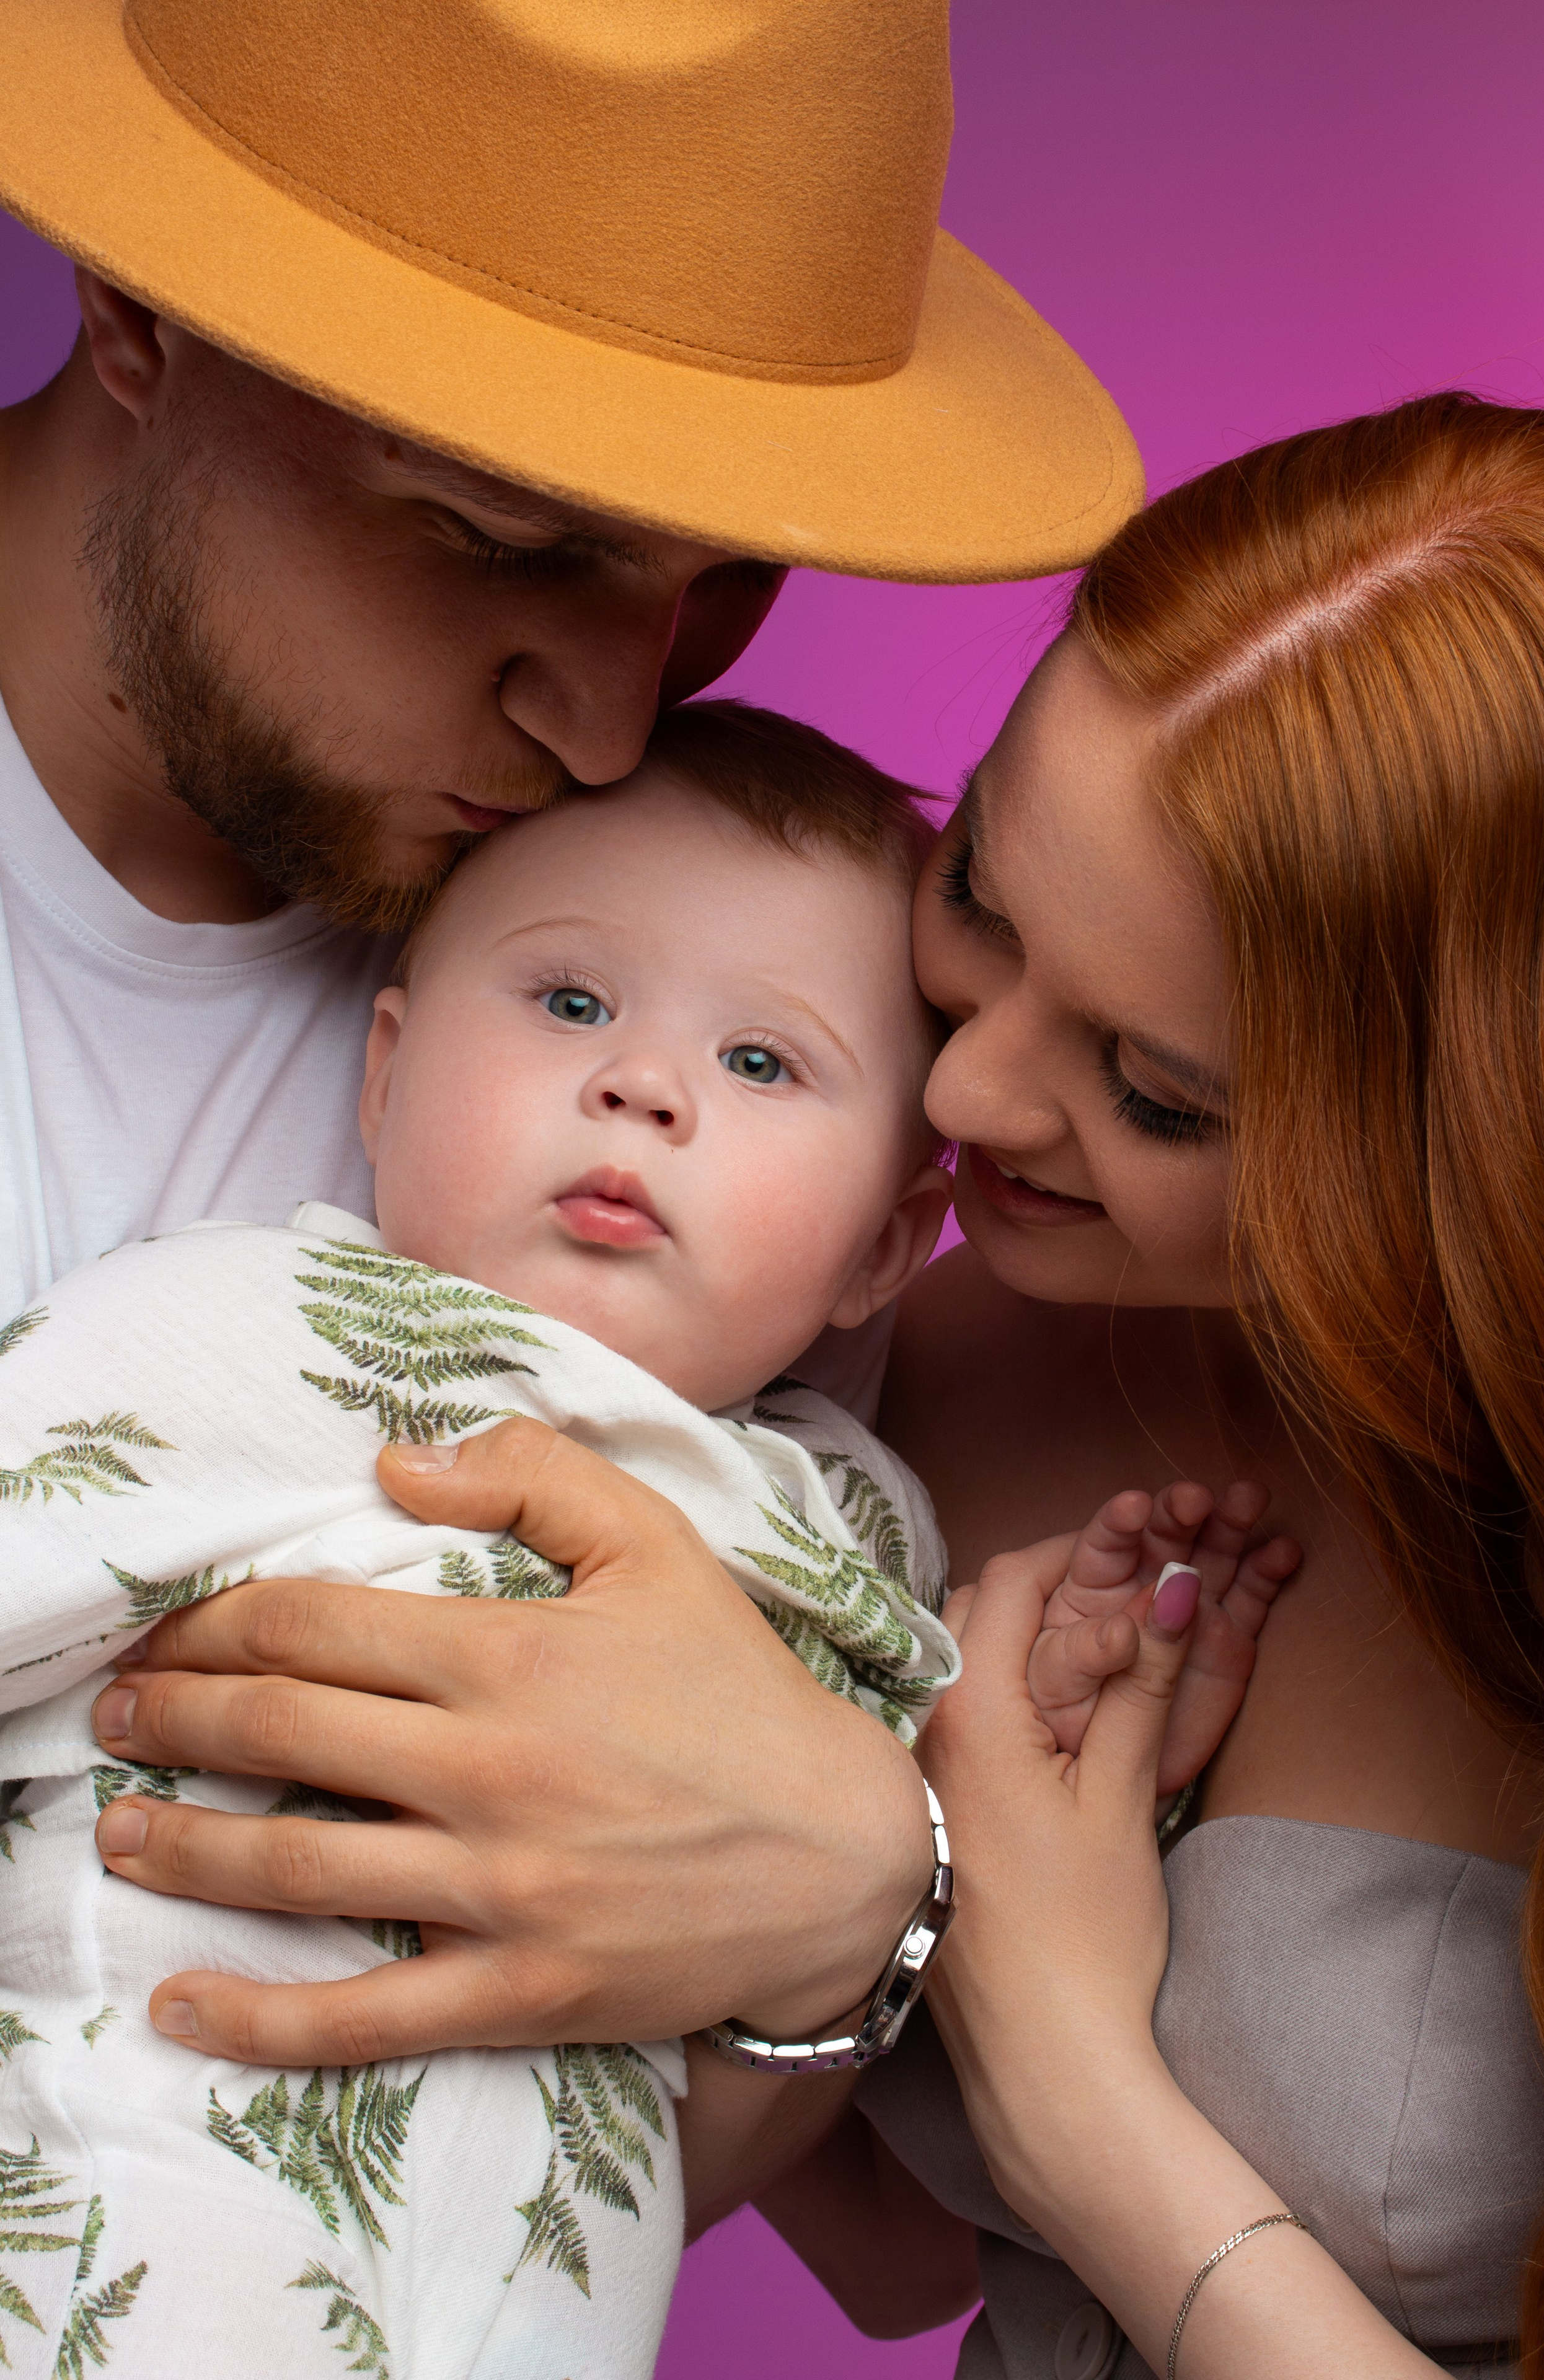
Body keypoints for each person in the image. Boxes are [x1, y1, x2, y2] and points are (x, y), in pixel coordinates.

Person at [0, 0, 1144, 2081]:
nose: (613, 729)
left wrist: (849, 1920)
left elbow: (559, 2126)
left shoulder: (698, 1051)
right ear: (144, 307)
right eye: (508, 540)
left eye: (728, 579)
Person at [0, 702, 1282, 2374]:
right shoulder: (242, 1337)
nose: (643, 1085)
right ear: (386, 1072)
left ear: (881, 1255)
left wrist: (1062, 1703)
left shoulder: (857, 1529)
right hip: (135, 2226)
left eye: (762, 1064)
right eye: (572, 1001)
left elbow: (874, 1928)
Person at [750, 392, 1544, 2379]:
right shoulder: (876, 1384)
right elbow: (894, 2265)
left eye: (1155, 1092)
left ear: (1474, 1140)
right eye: (978, 898)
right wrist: (806, 1914)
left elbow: (1043, 2150)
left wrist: (1063, 2071)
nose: (961, 1097)